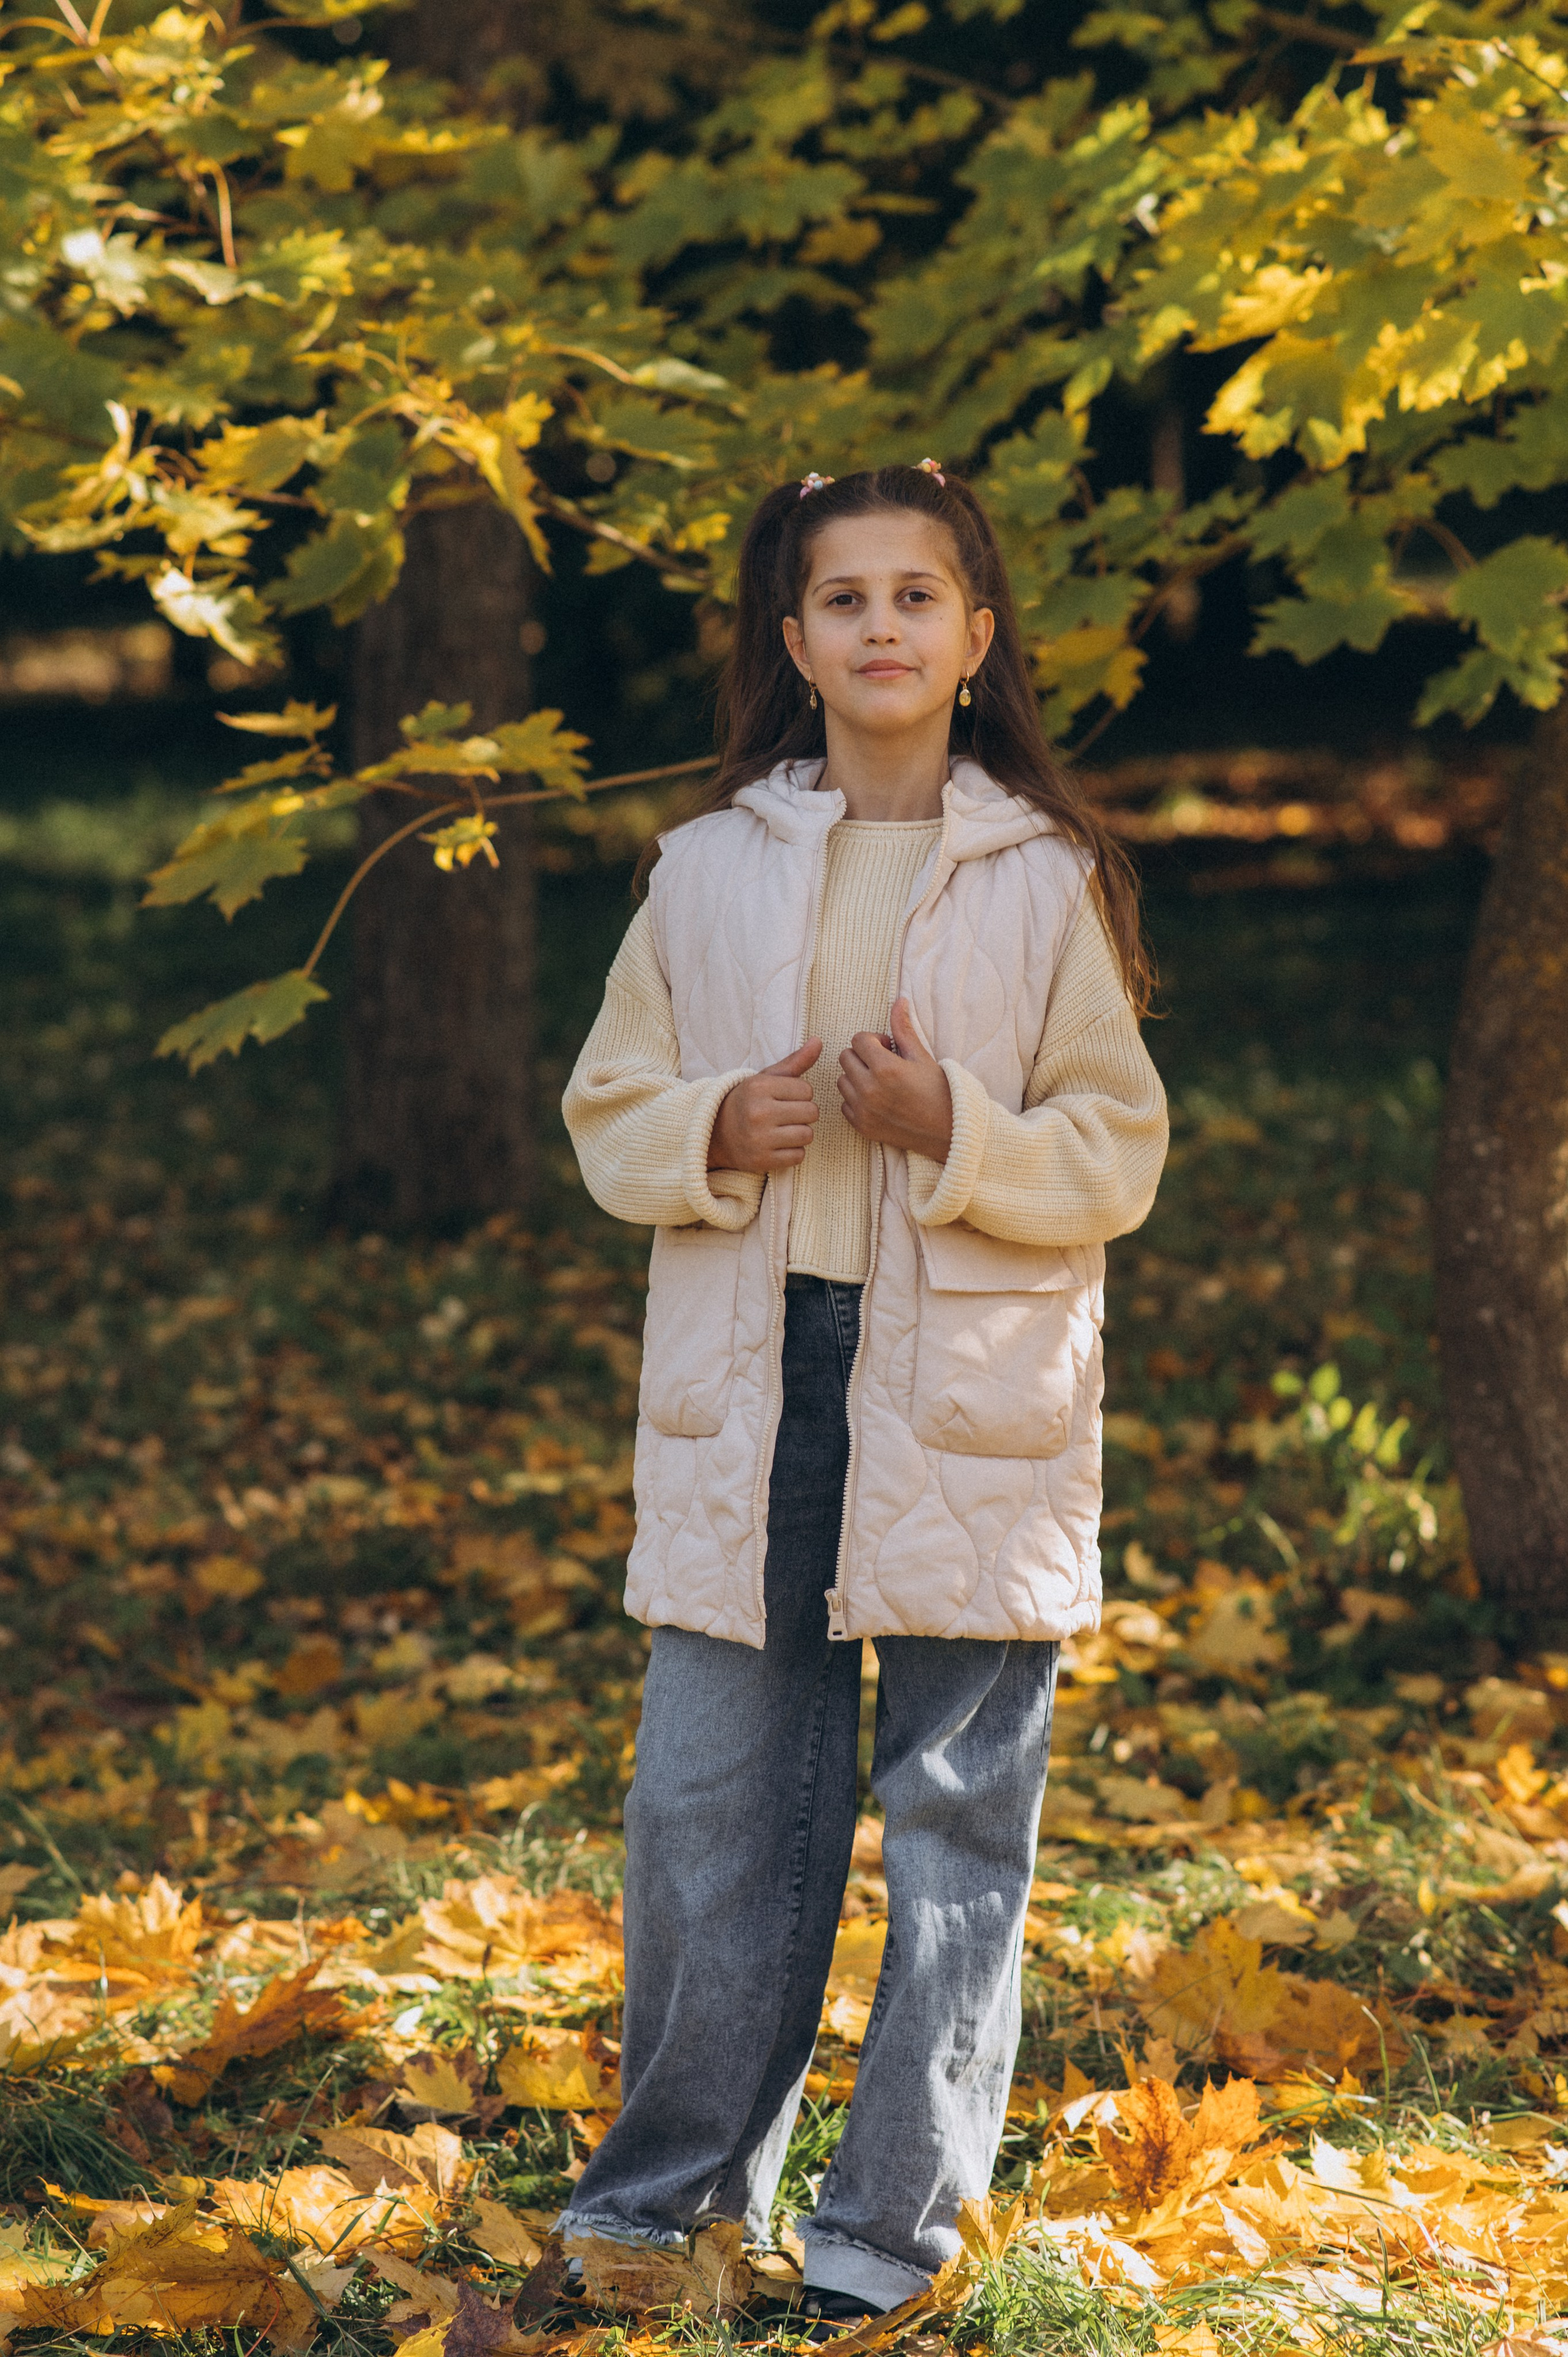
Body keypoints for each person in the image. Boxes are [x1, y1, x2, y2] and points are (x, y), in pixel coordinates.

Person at [560, 459, 1169, 2329]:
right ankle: (666, 2205)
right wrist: (709, 1132)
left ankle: (888, 2229)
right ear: (793, 640)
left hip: (970, 1402)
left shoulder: (1048, 880)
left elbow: (1115, 1152)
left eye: (922, 596)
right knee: (712, 1805)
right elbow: (607, 1111)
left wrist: (955, 1129)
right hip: (756, 1385)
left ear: (979, 642)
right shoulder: (707, 867)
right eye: (847, 598)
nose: (884, 626)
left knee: (960, 1809)